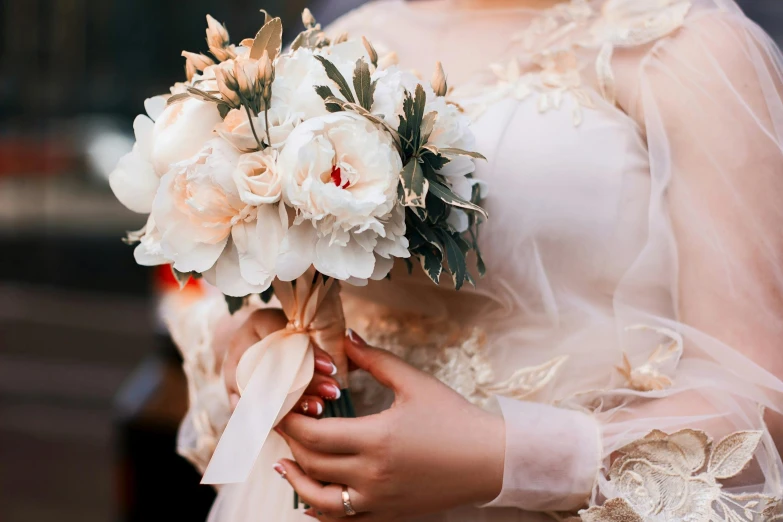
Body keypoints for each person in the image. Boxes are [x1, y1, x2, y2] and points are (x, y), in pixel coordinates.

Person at [172, 0, 783, 520]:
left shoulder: (686, 46)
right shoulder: (344, 38)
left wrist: (510, 458)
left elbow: (764, 398)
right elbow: (300, 286)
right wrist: (260, 342)